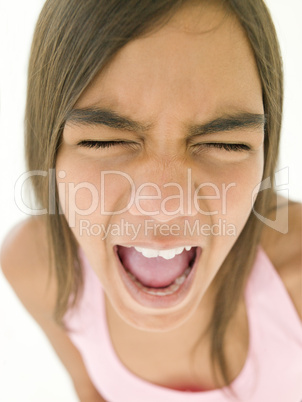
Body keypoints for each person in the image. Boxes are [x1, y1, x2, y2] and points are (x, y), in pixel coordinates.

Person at [1, 0, 301, 401]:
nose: (163, 204)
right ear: (50, 149)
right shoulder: (35, 268)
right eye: (103, 141)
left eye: (224, 144)